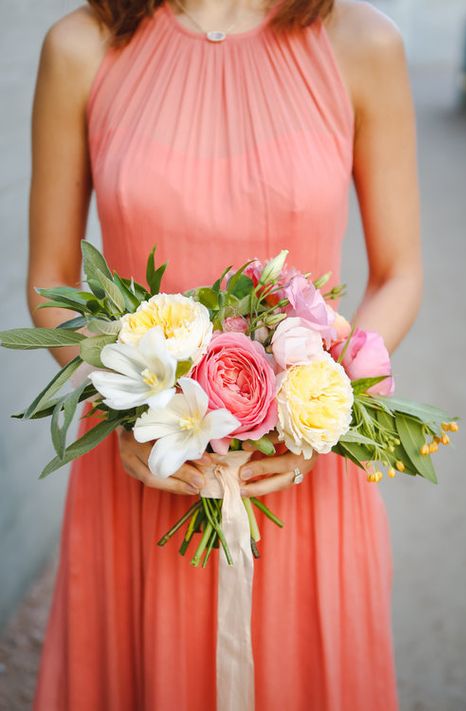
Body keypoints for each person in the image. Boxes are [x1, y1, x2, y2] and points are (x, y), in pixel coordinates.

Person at [29, 1, 422, 709]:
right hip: (142, 469)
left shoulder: (362, 43)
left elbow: (400, 273)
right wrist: (116, 404)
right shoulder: (81, 47)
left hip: (303, 472)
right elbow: (49, 278)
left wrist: (328, 407)